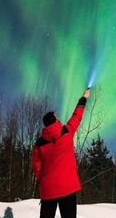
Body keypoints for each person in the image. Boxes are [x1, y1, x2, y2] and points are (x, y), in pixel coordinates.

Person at [32, 89, 91, 218]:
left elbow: (37, 166)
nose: (59, 117)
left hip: (48, 189)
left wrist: (43, 179)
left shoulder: (39, 144)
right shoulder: (67, 132)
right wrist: (83, 99)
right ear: (55, 120)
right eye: (57, 116)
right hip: (67, 187)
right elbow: (77, 116)